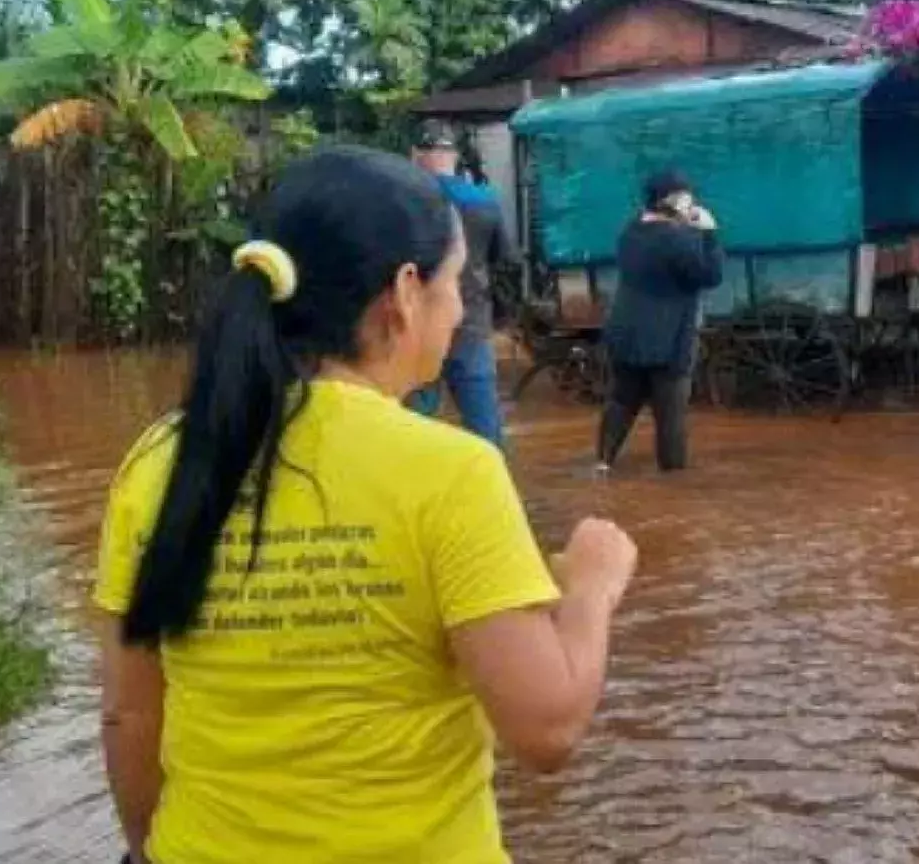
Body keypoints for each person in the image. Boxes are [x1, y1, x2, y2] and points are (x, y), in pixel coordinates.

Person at [94, 146, 638, 864]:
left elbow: (129, 712)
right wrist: (593, 586)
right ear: (405, 292)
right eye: (454, 282)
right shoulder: (452, 471)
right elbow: (546, 728)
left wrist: (147, 851)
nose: (456, 311)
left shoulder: (159, 460)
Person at [597, 170, 724, 473]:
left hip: (625, 335)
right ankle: (673, 487)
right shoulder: (679, 240)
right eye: (685, 196)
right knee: (670, 417)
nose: (690, 201)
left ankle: (602, 463)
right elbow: (710, 275)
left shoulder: (630, 231)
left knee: (621, 402)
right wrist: (709, 233)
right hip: (669, 341)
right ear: (671, 200)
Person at [407, 120, 515, 448]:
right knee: (484, 425)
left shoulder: (404, 200)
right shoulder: (484, 200)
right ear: (453, 155)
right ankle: (495, 492)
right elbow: (506, 262)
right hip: (470, 322)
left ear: (415, 154)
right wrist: (501, 315)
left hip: (417, 326)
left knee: (414, 423)